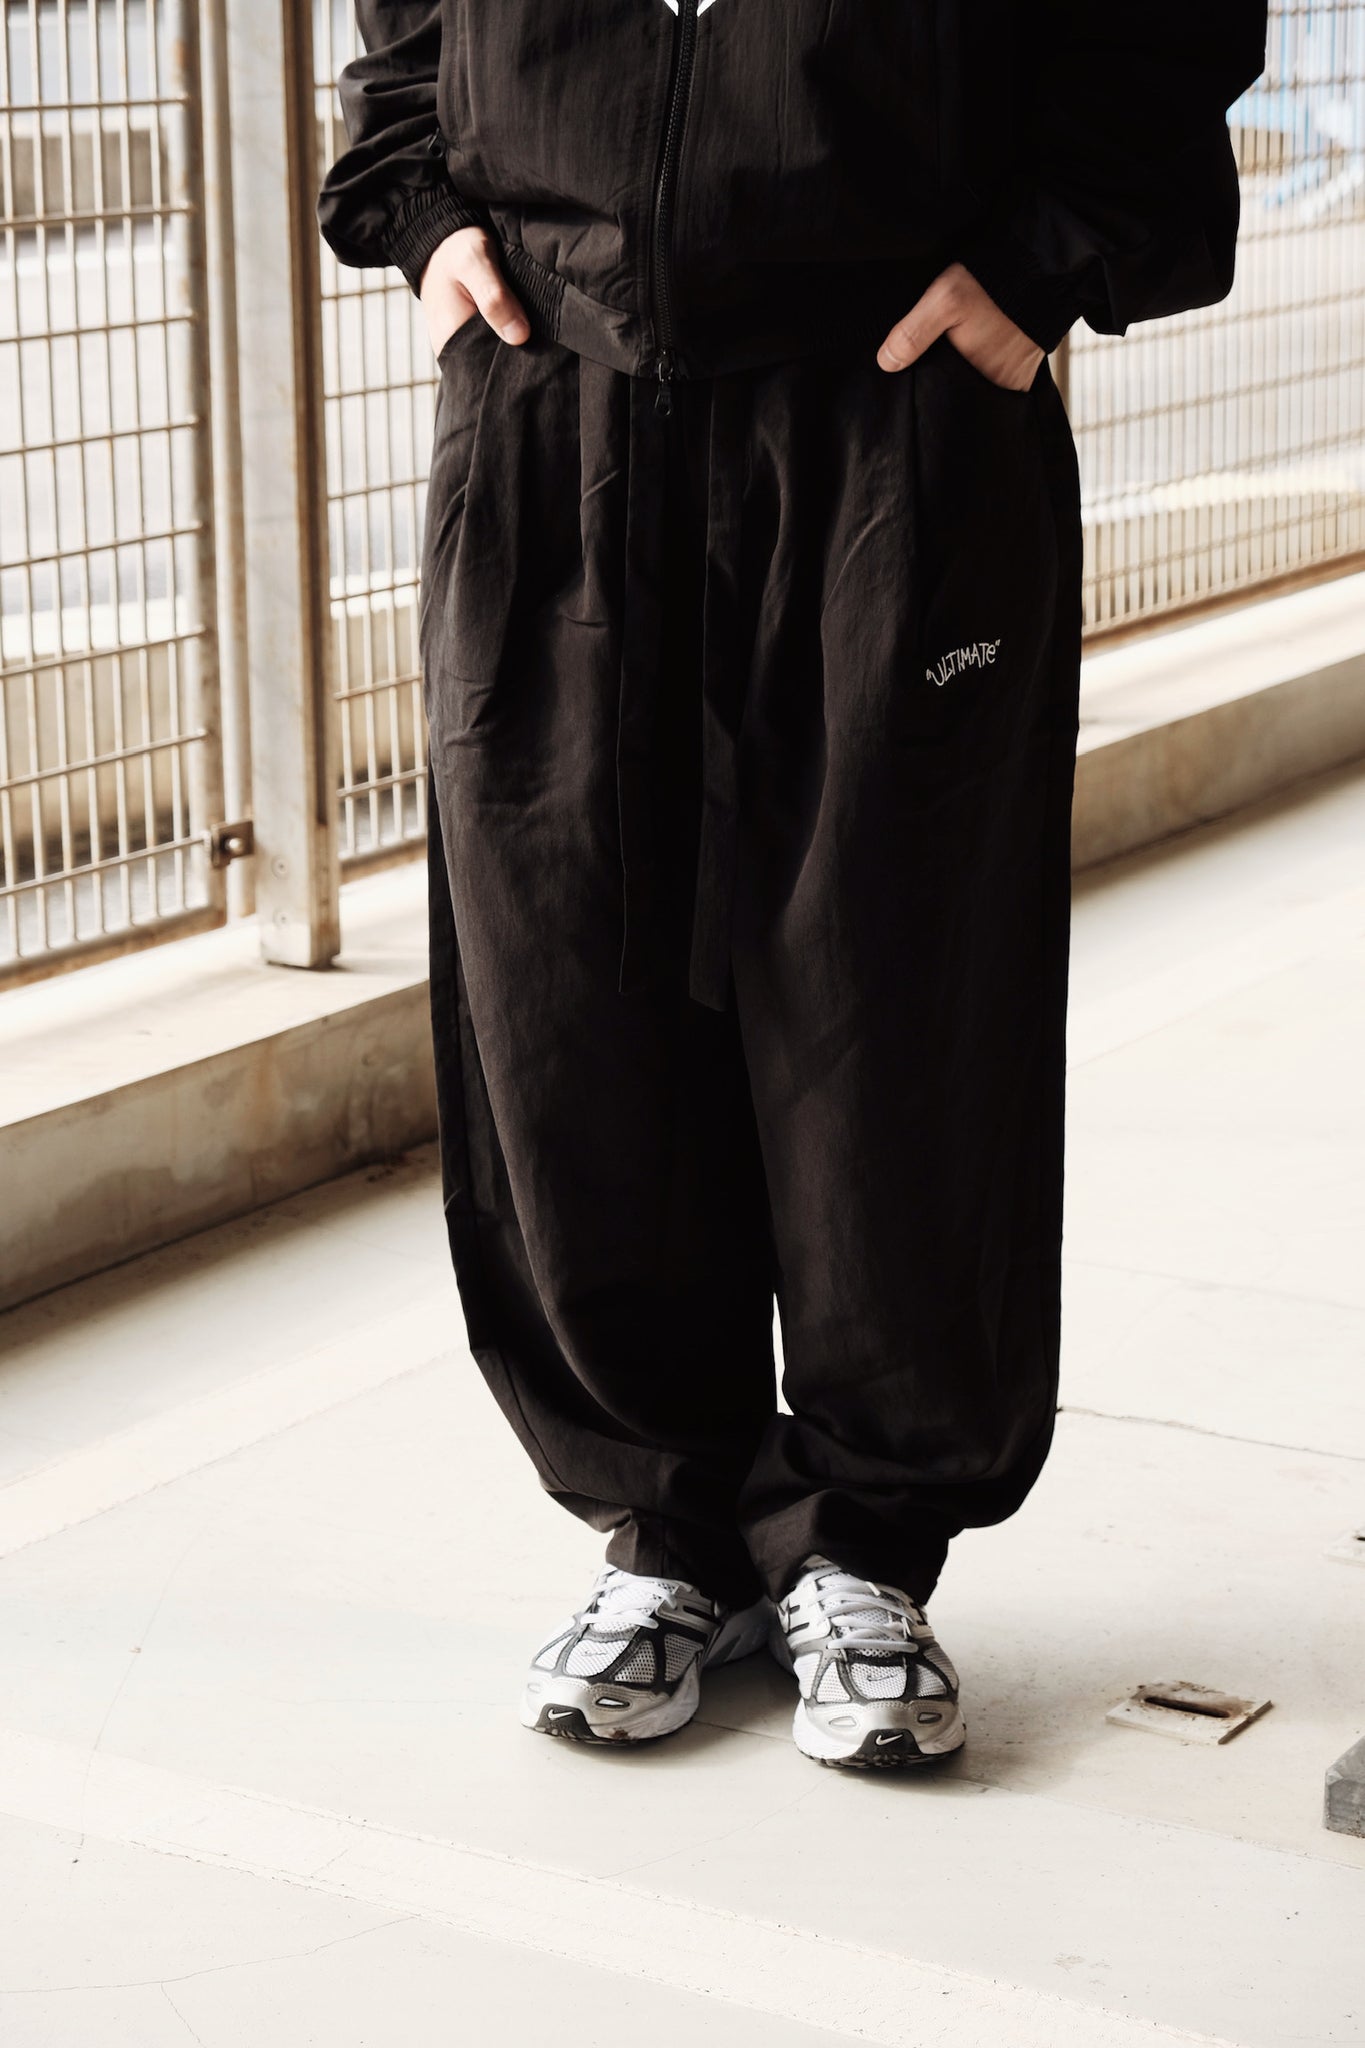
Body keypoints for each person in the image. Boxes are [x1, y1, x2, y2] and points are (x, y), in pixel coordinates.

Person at [319, 0, 1267, 1768]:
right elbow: (404, 32)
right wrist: (423, 211)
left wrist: (1043, 259)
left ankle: (864, 1539)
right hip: (552, 398)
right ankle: (664, 1524)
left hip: (892, 400)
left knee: (892, 988)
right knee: (563, 983)